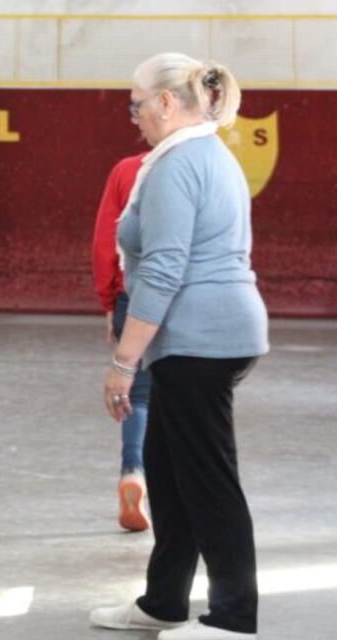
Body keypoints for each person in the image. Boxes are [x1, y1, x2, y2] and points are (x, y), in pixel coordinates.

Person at [89, 52, 269, 640]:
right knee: (167, 472)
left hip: (202, 340)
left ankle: (233, 618)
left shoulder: (177, 164)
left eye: (136, 105)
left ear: (167, 102)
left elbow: (164, 269)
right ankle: (163, 601)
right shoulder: (204, 153)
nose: (133, 117)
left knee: (207, 479)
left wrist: (123, 363)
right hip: (200, 337)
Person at [91, 151, 152, 532]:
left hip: (134, 292)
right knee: (181, 397)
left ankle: (133, 471)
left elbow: (105, 241)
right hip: (186, 299)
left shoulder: (127, 170)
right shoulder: (205, 165)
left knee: (138, 393)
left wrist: (110, 300)